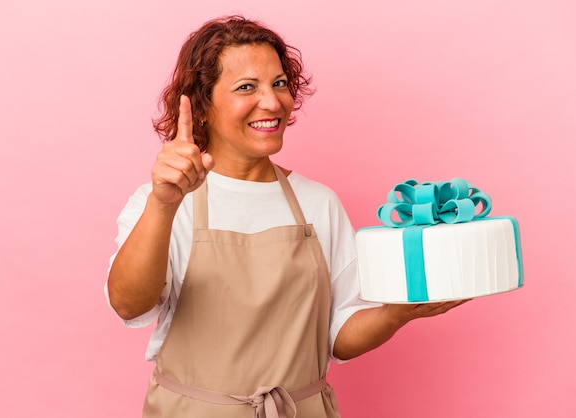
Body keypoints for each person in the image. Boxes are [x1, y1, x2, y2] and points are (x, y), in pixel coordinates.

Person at [106, 15, 467, 418]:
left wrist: (394, 314)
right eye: (247, 87)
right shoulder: (164, 201)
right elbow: (129, 305)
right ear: (203, 106)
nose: (273, 102)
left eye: (279, 83)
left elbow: (339, 335)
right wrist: (163, 204)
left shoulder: (318, 203)